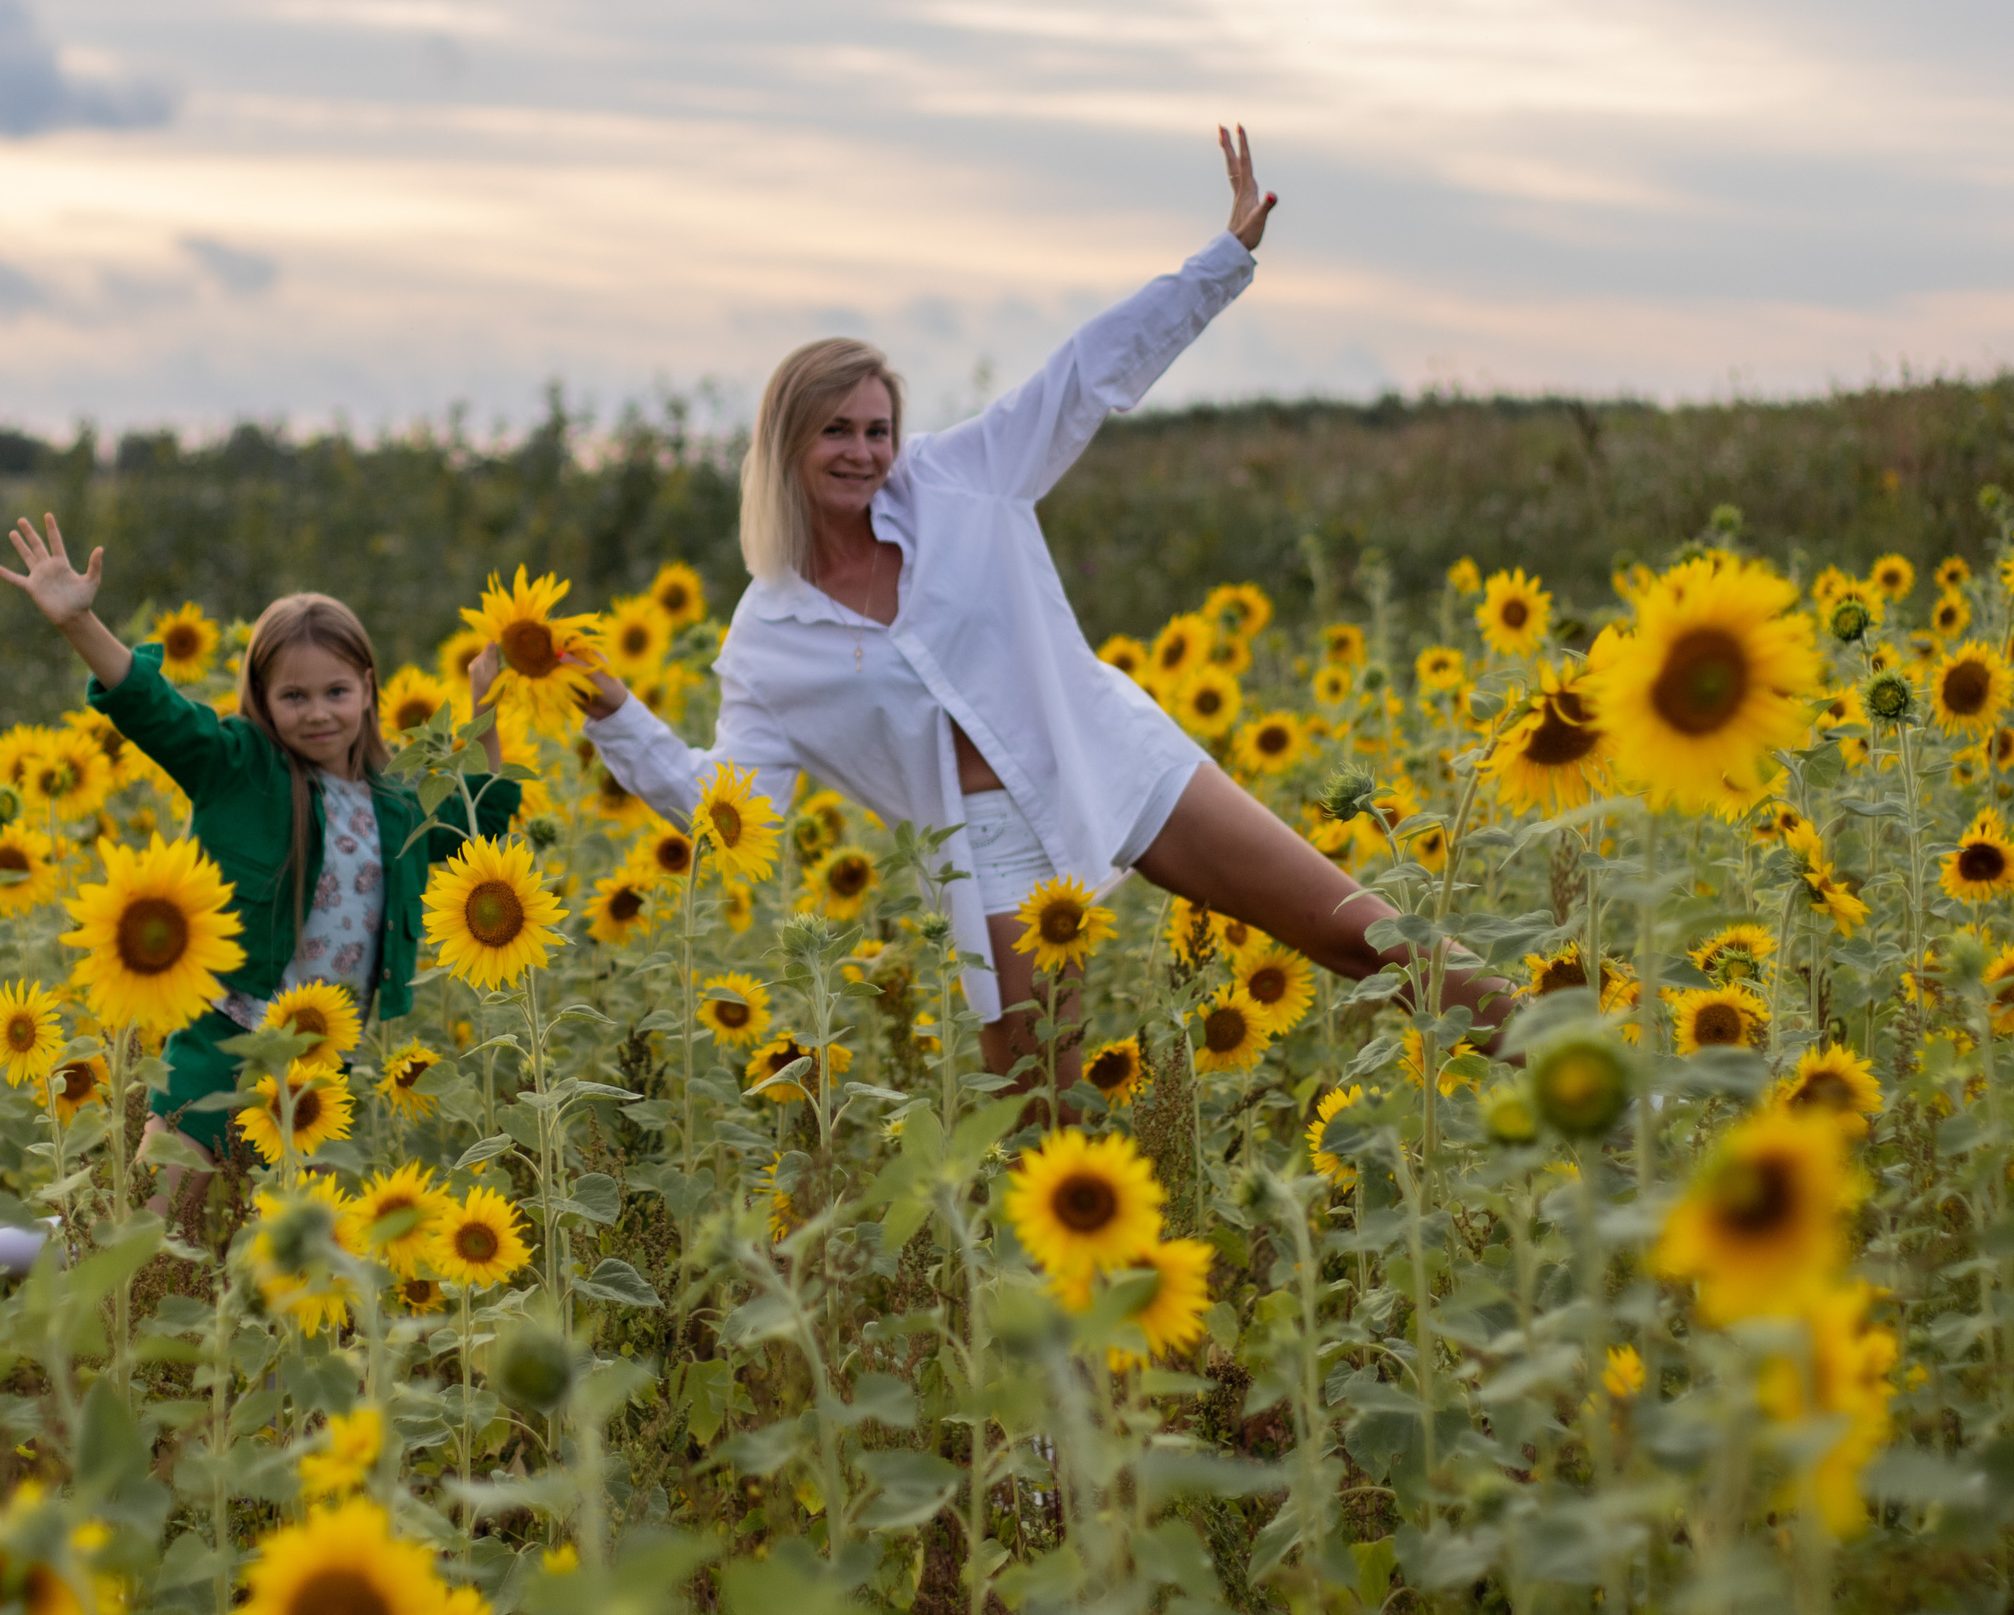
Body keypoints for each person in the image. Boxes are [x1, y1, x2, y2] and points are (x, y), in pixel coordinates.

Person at [575, 128, 1509, 1088]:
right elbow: (733, 808)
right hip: (990, 849)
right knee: (1038, 1100)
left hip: (1107, 750)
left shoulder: (960, 477)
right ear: (784, 445)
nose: (862, 452)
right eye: (836, 433)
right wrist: (612, 711)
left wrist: (1223, 262)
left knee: (1365, 937)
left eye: (876, 430)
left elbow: (1084, 373)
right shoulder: (768, 640)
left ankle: (1583, 1067)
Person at [0, 514, 521, 1161]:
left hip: (325, 1063)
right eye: (294, 695)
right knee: (163, 1240)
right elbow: (153, 709)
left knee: (260, 1249)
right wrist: (79, 621)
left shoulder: (397, 806)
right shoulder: (240, 768)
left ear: (367, 688)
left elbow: (479, 826)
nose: (319, 711)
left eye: (336, 690)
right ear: (263, 700)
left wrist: (486, 710)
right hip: (225, 1041)